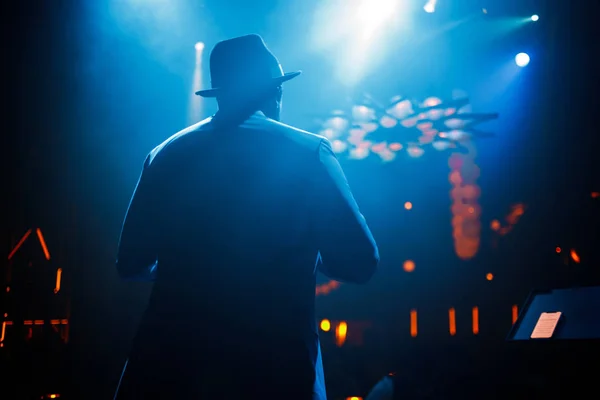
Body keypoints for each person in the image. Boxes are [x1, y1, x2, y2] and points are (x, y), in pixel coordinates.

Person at [113, 34, 379, 400]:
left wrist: (190, 266)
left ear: (219, 93)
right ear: (274, 93)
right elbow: (361, 263)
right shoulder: (308, 152)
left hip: (167, 375)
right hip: (274, 376)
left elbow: (129, 263)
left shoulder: (165, 155)